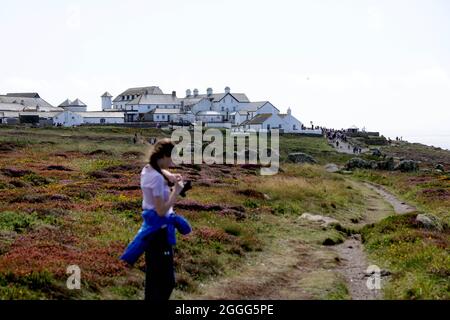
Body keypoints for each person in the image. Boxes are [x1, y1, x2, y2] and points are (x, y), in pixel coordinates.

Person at [121, 139, 191, 301]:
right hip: (159, 233)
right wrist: (176, 191)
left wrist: (171, 176)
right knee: (166, 283)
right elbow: (161, 211)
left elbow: (157, 170)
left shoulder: (148, 170)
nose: (173, 162)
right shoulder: (157, 179)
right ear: (164, 156)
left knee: (154, 280)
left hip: (153, 231)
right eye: (172, 158)